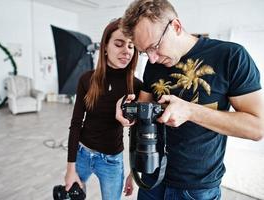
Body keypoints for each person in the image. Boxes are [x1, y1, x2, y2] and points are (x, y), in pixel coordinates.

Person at [115, 0, 264, 199]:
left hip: (196, 188)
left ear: (176, 26)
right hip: (152, 176)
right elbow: (144, 110)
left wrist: (191, 111)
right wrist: (130, 113)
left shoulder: (231, 56)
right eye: (145, 52)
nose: (152, 58)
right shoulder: (154, 64)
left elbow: (257, 128)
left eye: (155, 47)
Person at [64, 18, 142, 200]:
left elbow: (138, 132)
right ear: (105, 47)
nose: (126, 51)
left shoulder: (136, 87)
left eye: (131, 46)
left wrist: (133, 172)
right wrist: (70, 168)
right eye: (119, 44)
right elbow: (76, 124)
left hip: (111, 161)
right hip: (81, 154)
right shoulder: (86, 79)